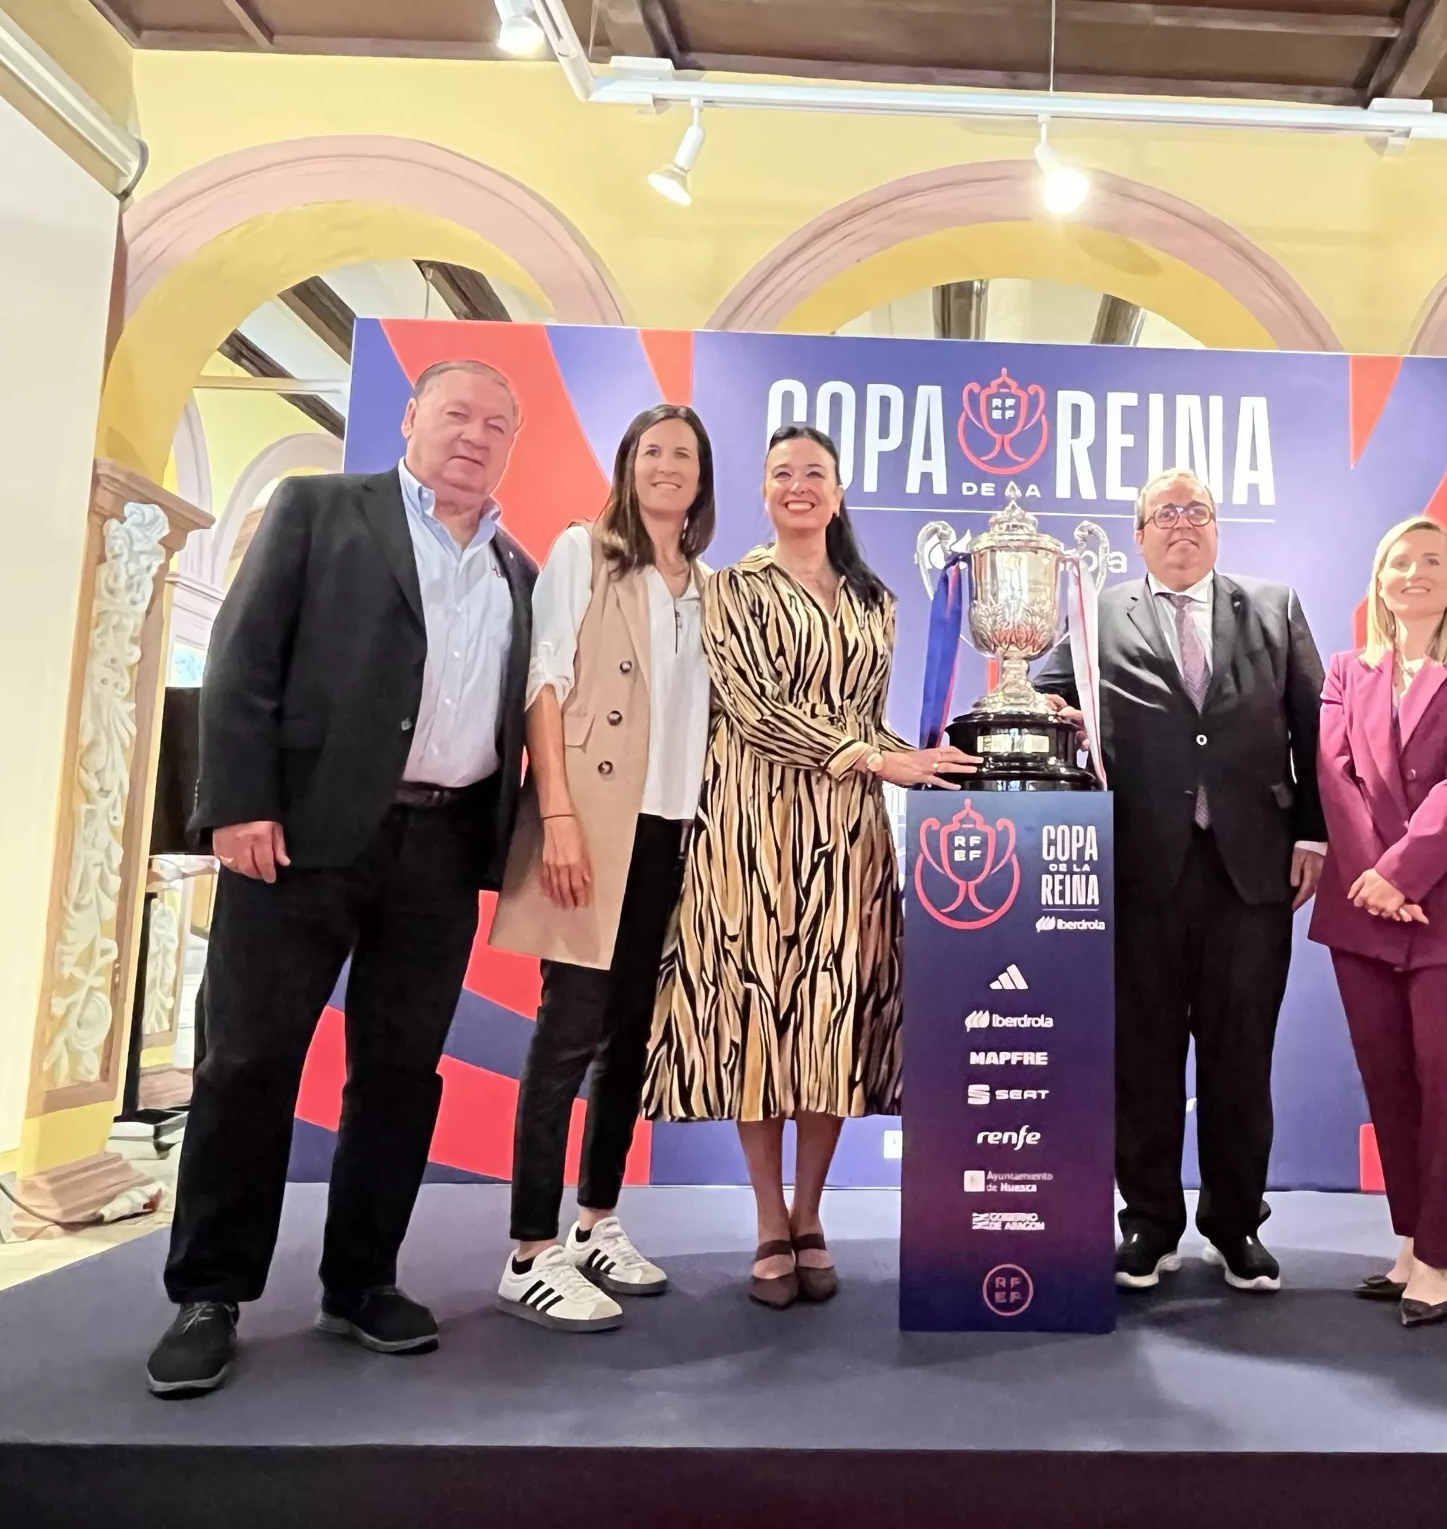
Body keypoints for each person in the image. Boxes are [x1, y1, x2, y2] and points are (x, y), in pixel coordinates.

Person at [150, 361, 537, 1397]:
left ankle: (361, 1281)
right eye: (456, 412)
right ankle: (209, 1294)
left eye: (495, 423)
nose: (473, 434)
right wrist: (235, 801)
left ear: (511, 446)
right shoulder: (319, 510)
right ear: (411, 418)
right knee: (246, 1061)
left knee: (403, 1075)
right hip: (295, 839)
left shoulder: (518, 571)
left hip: (443, 851)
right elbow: (242, 660)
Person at [646, 423, 977, 1309]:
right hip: (749, 830)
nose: (798, 486)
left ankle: (810, 1211)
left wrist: (948, 757)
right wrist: (879, 761)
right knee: (759, 1014)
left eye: (815, 474)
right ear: (763, 492)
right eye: (782, 474)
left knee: (832, 1015)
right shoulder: (736, 588)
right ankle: (764, 1217)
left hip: (849, 837)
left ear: (839, 493)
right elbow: (751, 712)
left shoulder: (875, 598)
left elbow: (870, 724)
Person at [1038, 468, 1326, 1295]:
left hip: (1253, 873)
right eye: (1163, 514)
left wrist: (1314, 831)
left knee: (1242, 1059)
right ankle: (1151, 1224)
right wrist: (1043, 720)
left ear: (1216, 527)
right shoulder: (1096, 617)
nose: (1181, 525)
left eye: (1195, 510)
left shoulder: (1271, 607)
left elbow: (1313, 724)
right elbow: (1041, 696)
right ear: (1139, 536)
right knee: (1143, 1061)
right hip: (1138, 872)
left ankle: (1236, 1227)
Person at [487, 404, 716, 1332]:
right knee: (567, 1029)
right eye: (652, 451)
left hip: (673, 828)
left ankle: (596, 1220)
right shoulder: (585, 551)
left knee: (629, 1035)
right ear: (628, 465)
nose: (667, 467)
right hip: (593, 819)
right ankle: (530, 1250)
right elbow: (544, 680)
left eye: (684, 456)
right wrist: (560, 814)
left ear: (701, 479)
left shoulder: (704, 583)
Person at [1308, 517, 1447, 1328]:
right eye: (1400, 561)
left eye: (1432, 560)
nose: (1414, 573)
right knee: (1390, 1083)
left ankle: (1440, 1255)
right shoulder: (1343, 671)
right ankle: (1409, 1241)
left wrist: (1398, 874)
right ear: (1379, 578)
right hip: (1363, 912)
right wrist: (1372, 880)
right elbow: (1335, 778)